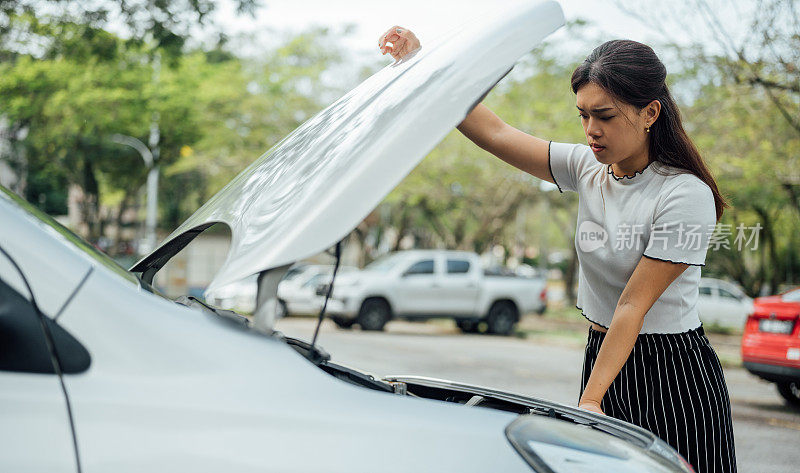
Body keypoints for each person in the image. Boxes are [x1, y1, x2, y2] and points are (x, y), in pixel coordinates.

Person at [378, 26, 737, 473]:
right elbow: (495, 132)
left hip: (670, 373)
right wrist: (423, 67)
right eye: (583, 115)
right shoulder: (586, 166)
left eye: (604, 116)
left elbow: (631, 306)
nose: (591, 130)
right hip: (604, 354)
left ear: (650, 113)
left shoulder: (684, 195)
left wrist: (589, 399)